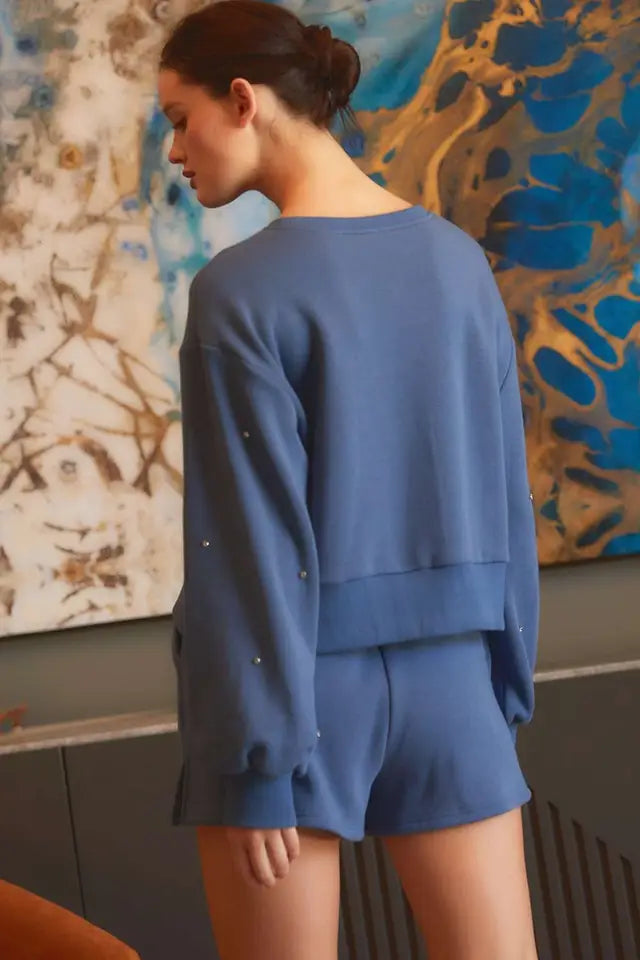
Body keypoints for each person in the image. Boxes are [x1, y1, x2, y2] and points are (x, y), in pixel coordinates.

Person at [157, 3, 540, 958]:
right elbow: (508, 494)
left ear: (242, 101)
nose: (175, 150)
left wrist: (254, 755)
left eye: (179, 119)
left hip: (292, 691)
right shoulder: (456, 261)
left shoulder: (239, 293)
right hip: (458, 681)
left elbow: (245, 538)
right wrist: (502, 684)